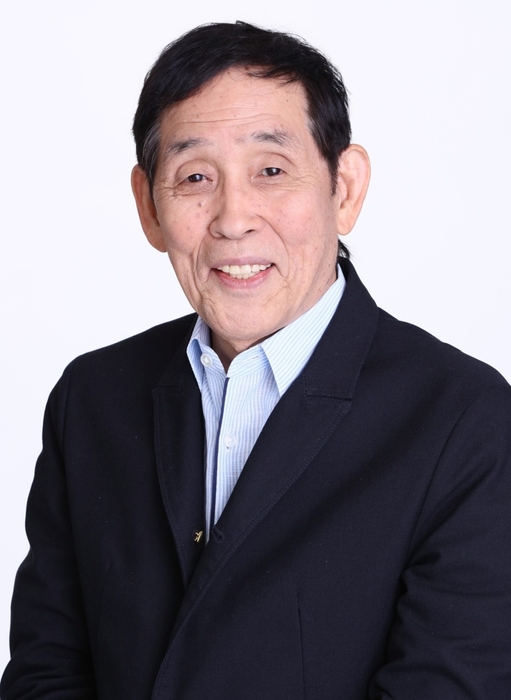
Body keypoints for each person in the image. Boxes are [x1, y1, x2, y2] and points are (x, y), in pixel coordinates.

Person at [2, 21, 511, 700]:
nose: (233, 217)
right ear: (148, 206)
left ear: (345, 187)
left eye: (270, 170)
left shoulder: (464, 420)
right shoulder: (93, 400)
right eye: (195, 177)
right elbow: (45, 674)